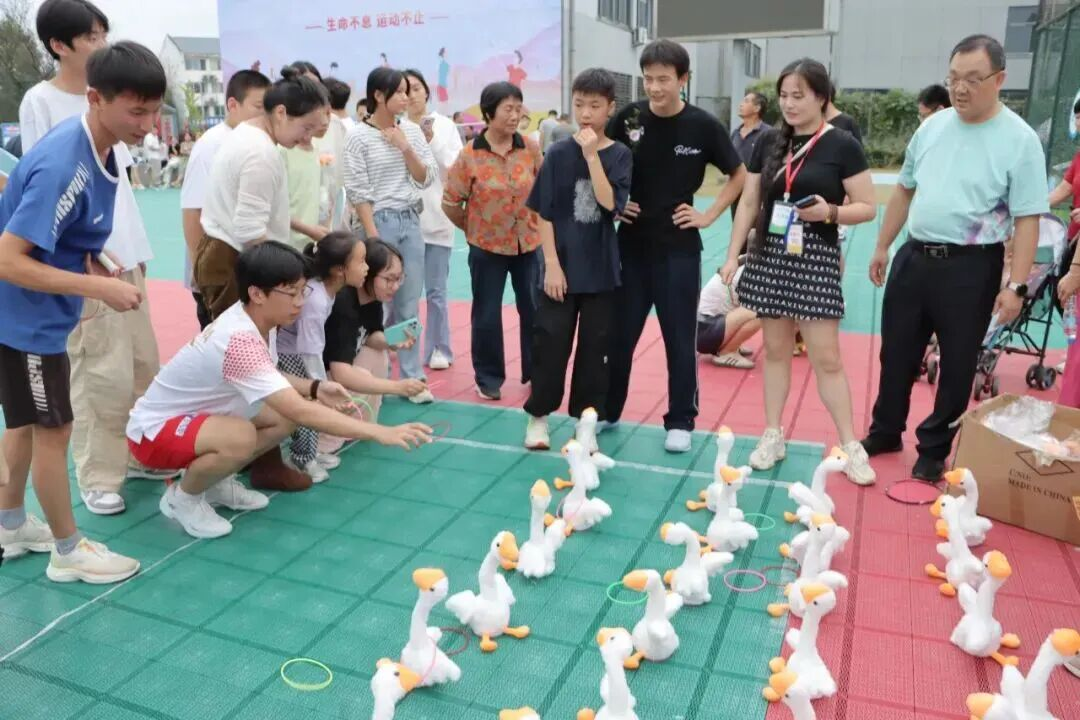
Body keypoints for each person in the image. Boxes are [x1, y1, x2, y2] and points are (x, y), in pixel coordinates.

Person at [126, 242, 433, 539]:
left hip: (198, 417)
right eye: (291, 293)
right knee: (243, 436)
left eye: (302, 291)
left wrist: (316, 387)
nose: (300, 302)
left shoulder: (258, 320)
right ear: (257, 293)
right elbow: (300, 409)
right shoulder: (240, 339)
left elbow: (270, 376)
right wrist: (380, 432)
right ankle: (183, 498)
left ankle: (214, 482)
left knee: (282, 420)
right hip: (154, 433)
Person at [0, 41, 165, 583]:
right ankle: (68, 551)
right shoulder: (64, 163)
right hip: (27, 323)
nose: (147, 124)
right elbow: (7, 259)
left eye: (154, 110)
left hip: (31, 317)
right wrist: (96, 287)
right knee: (54, 429)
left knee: (25, 425)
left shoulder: (102, 147)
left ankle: (9, 523)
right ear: (96, 99)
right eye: (136, 111)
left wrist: (92, 259)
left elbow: (62, 231)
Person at [862, 35, 1048, 481]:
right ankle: (886, 429)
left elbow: (1027, 219)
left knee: (959, 362)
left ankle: (933, 448)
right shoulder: (932, 127)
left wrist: (1017, 286)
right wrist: (883, 244)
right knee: (896, 352)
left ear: (999, 79)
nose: (960, 89)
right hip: (914, 256)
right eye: (953, 79)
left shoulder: (1019, 140)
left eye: (973, 79)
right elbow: (904, 188)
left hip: (972, 267)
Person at [722, 58, 877, 484]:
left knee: (826, 357)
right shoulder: (768, 141)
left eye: (799, 96)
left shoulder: (842, 144)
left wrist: (831, 212)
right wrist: (733, 254)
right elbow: (749, 201)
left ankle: (851, 445)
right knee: (775, 351)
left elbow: (867, 206)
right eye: (784, 96)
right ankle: (773, 435)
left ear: (822, 97)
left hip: (815, 258)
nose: (789, 104)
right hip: (771, 254)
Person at [605, 39, 746, 453]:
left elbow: (738, 175)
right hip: (630, 247)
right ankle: (609, 409)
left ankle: (681, 419)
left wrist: (709, 214)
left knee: (679, 338)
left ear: (683, 79)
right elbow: (599, 160)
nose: (654, 87)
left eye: (664, 79)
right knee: (620, 335)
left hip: (679, 250)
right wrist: (615, 203)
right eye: (648, 79)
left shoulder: (703, 126)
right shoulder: (629, 118)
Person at [521, 68, 632, 450]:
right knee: (550, 345)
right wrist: (551, 264)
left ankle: (585, 424)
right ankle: (538, 418)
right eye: (579, 104)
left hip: (601, 271)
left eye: (595, 106)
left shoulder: (620, 154)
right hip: (560, 271)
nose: (585, 113)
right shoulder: (556, 153)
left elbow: (609, 204)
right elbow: (544, 212)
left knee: (594, 352)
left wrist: (591, 155)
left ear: (610, 108)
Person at [194, 66, 328, 321]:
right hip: (234, 260)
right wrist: (288, 272)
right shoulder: (260, 153)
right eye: (306, 127)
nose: (307, 137)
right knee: (243, 340)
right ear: (281, 113)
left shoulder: (247, 134)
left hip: (226, 253)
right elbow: (250, 231)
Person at [343, 67, 438, 404]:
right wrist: (373, 239)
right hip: (377, 223)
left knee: (409, 301)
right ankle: (371, 379)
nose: (406, 97)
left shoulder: (410, 130)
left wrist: (405, 147)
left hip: (410, 220)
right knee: (374, 304)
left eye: (407, 91)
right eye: (398, 91)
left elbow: (426, 177)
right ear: (378, 95)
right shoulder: (358, 136)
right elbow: (358, 191)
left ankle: (413, 378)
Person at [444, 81, 543, 401]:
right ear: (488, 113)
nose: (515, 115)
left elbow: (544, 190)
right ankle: (488, 377)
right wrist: (474, 230)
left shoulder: (530, 148)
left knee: (534, 309)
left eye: (518, 108)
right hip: (486, 248)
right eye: (507, 109)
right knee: (486, 313)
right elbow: (451, 202)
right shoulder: (469, 155)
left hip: (528, 244)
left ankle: (537, 371)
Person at [181, 69, 271, 330]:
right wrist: (202, 275)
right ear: (233, 105)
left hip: (241, 268)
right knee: (222, 342)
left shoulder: (253, 142)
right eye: (258, 107)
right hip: (218, 273)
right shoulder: (211, 145)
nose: (264, 115)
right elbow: (192, 212)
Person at [275, 232, 363, 482]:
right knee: (308, 403)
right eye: (361, 261)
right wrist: (320, 385)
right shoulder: (315, 299)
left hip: (300, 352)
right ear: (339, 270)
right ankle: (301, 458)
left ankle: (310, 452)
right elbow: (309, 349)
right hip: (290, 354)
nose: (366, 268)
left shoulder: (327, 291)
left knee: (312, 399)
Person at [322, 239, 428, 445]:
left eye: (399, 278)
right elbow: (341, 372)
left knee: (378, 354)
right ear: (368, 273)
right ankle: (325, 442)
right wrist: (397, 387)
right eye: (389, 279)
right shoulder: (343, 303)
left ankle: (360, 426)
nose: (395, 286)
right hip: (319, 378)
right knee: (362, 374)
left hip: (335, 370)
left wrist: (392, 341)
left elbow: (369, 336)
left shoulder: (372, 297)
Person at [403, 68, 463, 372]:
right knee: (404, 295)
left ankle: (439, 348)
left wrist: (431, 139)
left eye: (415, 88)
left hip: (437, 221)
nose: (411, 95)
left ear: (426, 91)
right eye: (404, 90)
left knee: (436, 292)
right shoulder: (397, 127)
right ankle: (403, 347)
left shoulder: (445, 126)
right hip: (403, 222)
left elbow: (455, 167)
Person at [282, 62, 331, 251]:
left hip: (310, 244)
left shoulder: (316, 148)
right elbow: (275, 208)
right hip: (286, 246)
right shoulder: (282, 150)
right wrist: (308, 230)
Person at [698, 260, 760, 369]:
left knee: (763, 308)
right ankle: (727, 352)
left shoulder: (752, 262)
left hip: (702, 330)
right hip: (703, 332)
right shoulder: (756, 270)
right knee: (763, 312)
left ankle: (729, 345)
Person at [730, 91, 768, 221]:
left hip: (758, 194)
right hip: (736, 192)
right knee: (738, 228)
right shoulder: (735, 133)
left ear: (757, 108)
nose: (741, 104)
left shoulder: (768, 133)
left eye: (746, 101)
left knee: (755, 230)